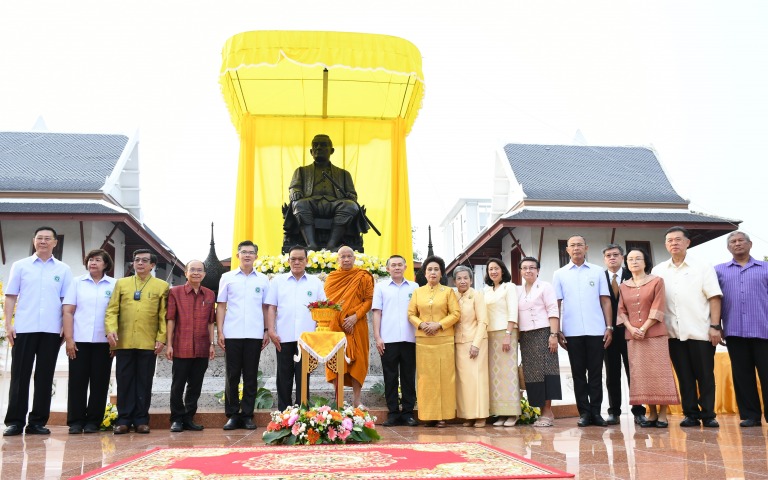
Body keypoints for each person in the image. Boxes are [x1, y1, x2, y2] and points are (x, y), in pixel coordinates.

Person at [3, 226, 72, 437]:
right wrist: (8, 324)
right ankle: (14, 421)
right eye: (39, 238)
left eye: (47, 238)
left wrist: (64, 328)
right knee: (19, 376)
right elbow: (11, 295)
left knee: (44, 377)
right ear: (34, 241)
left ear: (55, 243)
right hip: (24, 328)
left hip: (51, 331)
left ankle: (37, 422)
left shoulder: (63, 269)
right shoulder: (21, 266)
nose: (43, 241)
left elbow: (66, 302)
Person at [652, 226, 723, 428]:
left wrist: (715, 326)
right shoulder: (658, 270)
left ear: (687, 243)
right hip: (673, 333)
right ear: (666, 245)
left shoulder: (702, 266)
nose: (673, 243)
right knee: (684, 376)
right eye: (669, 240)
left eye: (677, 239)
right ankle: (690, 413)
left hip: (700, 331)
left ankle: (708, 414)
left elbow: (714, 297)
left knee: (705, 376)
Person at [105, 249, 169, 434]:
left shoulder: (161, 286)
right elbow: (112, 310)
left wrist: (161, 337)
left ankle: (141, 419)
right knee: (124, 380)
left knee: (144, 381)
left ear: (152, 265)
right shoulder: (122, 284)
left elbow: (163, 315)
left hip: (148, 341)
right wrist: (111, 330)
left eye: (144, 260)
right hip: (123, 340)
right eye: (137, 260)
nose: (140, 263)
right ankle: (123, 419)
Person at [552, 235, 613, 427]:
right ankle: (584, 413)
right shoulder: (559, 274)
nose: (576, 248)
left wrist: (609, 327)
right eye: (572, 245)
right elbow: (557, 303)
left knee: (596, 373)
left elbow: (605, 300)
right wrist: (558, 330)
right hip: (572, 331)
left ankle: (596, 412)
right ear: (567, 250)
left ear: (586, 248)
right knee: (578, 374)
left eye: (580, 245)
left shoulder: (597, 272)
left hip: (596, 330)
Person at [617, 248, 679, 428]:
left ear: (646, 262)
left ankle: (662, 414)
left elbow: (658, 306)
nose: (634, 262)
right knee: (642, 375)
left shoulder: (657, 281)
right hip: (634, 337)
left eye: (638, 258)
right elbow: (621, 311)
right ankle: (651, 412)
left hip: (655, 334)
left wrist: (643, 328)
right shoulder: (624, 285)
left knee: (660, 373)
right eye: (630, 259)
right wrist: (631, 328)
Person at [715, 231, 768, 427]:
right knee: (742, 374)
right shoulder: (719, 271)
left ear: (750, 244)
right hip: (734, 331)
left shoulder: (765, 268)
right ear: (729, 247)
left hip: (764, 330)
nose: (737, 244)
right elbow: (714, 301)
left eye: (740, 241)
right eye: (733, 242)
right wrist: (716, 326)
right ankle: (750, 416)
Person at [216, 241, 270, 431]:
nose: (247, 255)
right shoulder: (227, 277)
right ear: (238, 255)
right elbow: (221, 305)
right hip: (232, 333)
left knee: (250, 376)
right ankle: (232, 415)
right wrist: (220, 331)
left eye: (251, 252)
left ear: (256, 256)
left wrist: (266, 330)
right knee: (232, 376)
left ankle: (247, 415)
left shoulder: (263, 280)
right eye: (244, 252)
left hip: (255, 334)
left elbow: (266, 307)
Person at [265, 245, 327, 410]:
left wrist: (318, 334)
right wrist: (271, 330)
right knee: (283, 375)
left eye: (301, 259)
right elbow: (271, 307)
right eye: (293, 259)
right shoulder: (278, 281)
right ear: (288, 260)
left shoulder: (315, 282)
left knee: (303, 376)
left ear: (307, 261)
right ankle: (284, 413)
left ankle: (302, 410)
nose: (297, 262)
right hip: (282, 337)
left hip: (307, 339)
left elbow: (323, 308)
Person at [62, 249, 116, 434]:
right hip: (79, 340)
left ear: (106, 264)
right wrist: (69, 339)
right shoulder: (77, 283)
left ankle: (94, 421)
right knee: (77, 381)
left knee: (100, 382)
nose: (93, 263)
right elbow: (68, 311)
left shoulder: (114, 284)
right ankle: (76, 421)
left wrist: (116, 342)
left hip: (104, 341)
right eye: (90, 260)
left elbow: (117, 315)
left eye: (98, 260)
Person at [407, 256, 460, 428]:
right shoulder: (417, 292)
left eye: (436, 269)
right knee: (426, 379)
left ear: (441, 272)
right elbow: (411, 314)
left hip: (443, 340)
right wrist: (421, 324)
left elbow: (455, 314)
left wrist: (439, 324)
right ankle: (427, 415)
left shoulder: (448, 292)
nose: (433, 272)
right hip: (424, 341)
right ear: (424, 272)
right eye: (429, 269)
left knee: (444, 378)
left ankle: (443, 416)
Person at [166, 260, 216, 432]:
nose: (196, 273)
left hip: (202, 347)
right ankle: (176, 418)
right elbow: (171, 319)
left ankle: (189, 417)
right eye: (192, 270)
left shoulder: (209, 294)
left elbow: (211, 322)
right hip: (181, 345)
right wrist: (169, 345)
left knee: (195, 385)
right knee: (178, 384)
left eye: (199, 270)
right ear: (186, 272)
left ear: (204, 274)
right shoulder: (175, 292)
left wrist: (211, 344)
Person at [288, 134, 361, 251]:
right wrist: (295, 192)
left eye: (323, 145)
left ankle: (332, 244)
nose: (318, 148)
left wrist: (351, 196)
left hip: (335, 204)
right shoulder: (301, 171)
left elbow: (352, 194)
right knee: (299, 204)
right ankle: (311, 244)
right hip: (311, 203)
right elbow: (294, 187)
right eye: (315, 145)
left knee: (350, 205)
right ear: (311, 151)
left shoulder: (343, 174)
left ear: (331, 150)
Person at [602, 244, 648, 425]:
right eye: (608, 255)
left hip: (631, 331)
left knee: (634, 372)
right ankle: (614, 411)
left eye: (615, 255)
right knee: (612, 374)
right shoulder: (600, 277)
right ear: (604, 259)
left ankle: (638, 411)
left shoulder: (633, 275)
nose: (612, 258)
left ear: (622, 258)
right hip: (608, 332)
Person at [372, 255, 419, 426]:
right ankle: (392, 412)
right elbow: (377, 312)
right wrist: (377, 337)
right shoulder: (381, 287)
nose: (397, 267)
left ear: (405, 267)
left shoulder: (414, 287)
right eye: (393, 265)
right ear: (388, 269)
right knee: (390, 376)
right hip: (388, 339)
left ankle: (408, 413)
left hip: (410, 338)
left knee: (408, 376)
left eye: (400, 264)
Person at [324, 246, 374, 406]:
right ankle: (339, 400)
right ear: (337, 259)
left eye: (349, 256)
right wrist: (342, 318)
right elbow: (328, 302)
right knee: (336, 360)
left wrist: (354, 317)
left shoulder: (363, 276)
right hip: (336, 326)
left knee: (358, 360)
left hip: (357, 324)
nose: (346, 259)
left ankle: (356, 400)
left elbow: (369, 300)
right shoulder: (332, 278)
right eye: (342, 256)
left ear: (354, 258)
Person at [517, 256, 562, 427]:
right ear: (520, 271)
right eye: (524, 268)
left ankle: (548, 413)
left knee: (547, 372)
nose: (528, 270)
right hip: (526, 338)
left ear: (538, 270)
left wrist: (553, 334)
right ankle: (540, 412)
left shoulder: (545, 287)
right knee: (533, 374)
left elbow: (553, 310)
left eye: (532, 267)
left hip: (544, 334)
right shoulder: (518, 291)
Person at [483, 258, 521, 426]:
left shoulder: (509, 287)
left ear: (503, 270)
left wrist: (508, 333)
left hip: (506, 334)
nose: (493, 271)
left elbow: (513, 311)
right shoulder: (486, 290)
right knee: (495, 375)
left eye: (496, 268)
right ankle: (500, 413)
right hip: (490, 335)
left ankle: (512, 414)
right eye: (490, 269)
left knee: (508, 374)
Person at [452, 266, 490, 428]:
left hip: (475, 342)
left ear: (471, 280)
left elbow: (483, 321)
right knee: (463, 382)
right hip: (458, 342)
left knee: (477, 379)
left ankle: (480, 415)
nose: (462, 281)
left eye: (466, 278)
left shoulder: (477, 295)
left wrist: (476, 344)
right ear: (454, 281)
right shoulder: (452, 296)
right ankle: (467, 415)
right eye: (459, 278)